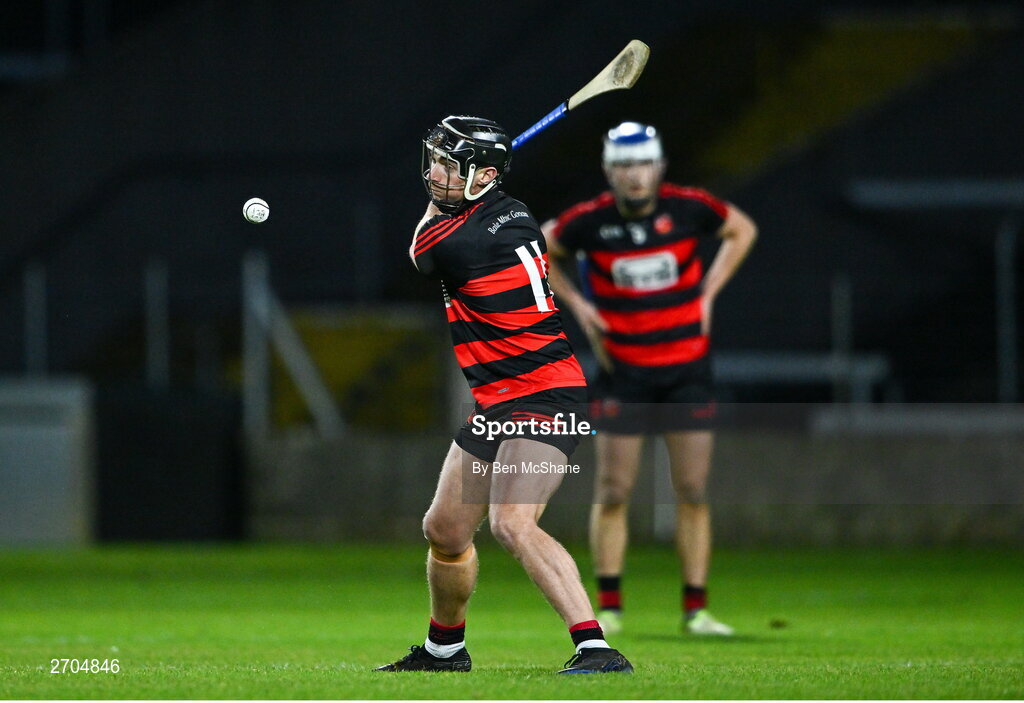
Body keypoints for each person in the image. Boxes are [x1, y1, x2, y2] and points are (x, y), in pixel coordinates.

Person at [375, 116, 632, 674]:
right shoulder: (505, 211)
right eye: (435, 160)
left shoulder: (457, 239)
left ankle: (596, 648)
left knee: (512, 522)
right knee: (443, 529)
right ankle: (445, 650)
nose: (434, 173)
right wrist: (469, 176)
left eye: (449, 164)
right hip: (499, 401)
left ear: (485, 175)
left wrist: (456, 192)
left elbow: (419, 251)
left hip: (546, 397)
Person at [541, 121, 757, 637]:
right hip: (624, 374)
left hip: (688, 371)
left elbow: (742, 230)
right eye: (622, 166)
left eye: (641, 164)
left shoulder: (687, 208)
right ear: (608, 171)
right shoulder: (588, 221)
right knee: (614, 489)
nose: (633, 176)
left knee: (692, 488)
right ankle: (610, 606)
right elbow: (540, 249)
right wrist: (579, 307)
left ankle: (696, 610)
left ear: (658, 167)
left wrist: (708, 293)